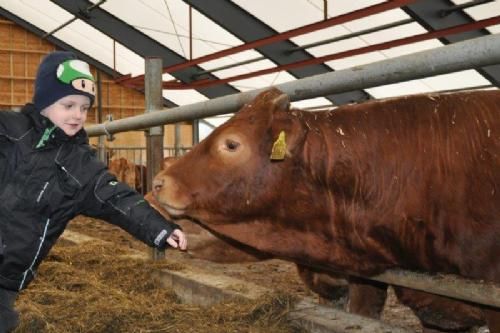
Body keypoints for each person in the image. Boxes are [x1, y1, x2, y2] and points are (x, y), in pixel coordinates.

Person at [0, 51, 187, 332]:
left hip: (7, 279)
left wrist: (160, 229)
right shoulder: (10, 132)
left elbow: (118, 199)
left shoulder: (82, 167)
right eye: (69, 105)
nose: (78, 115)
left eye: (85, 108)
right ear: (44, 102)